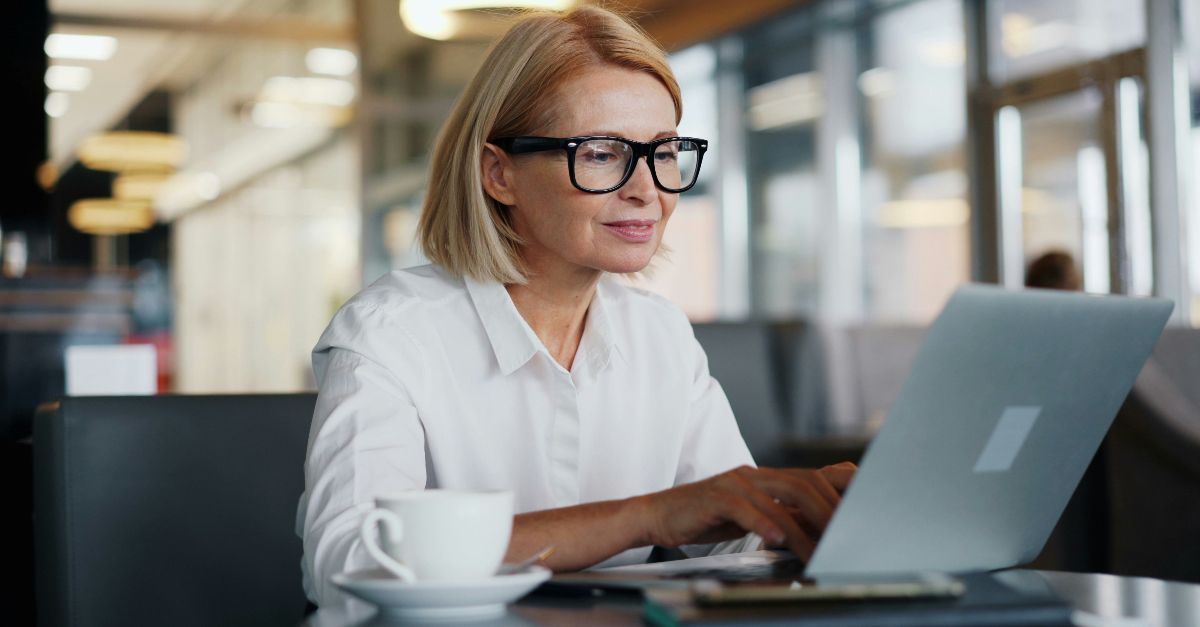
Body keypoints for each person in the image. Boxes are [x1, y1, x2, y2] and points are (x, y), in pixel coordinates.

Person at [298, 6, 856, 608]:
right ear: (499, 173)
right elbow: (345, 565)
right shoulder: (390, 333)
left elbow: (734, 545)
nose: (647, 189)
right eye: (600, 154)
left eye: (664, 153)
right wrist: (647, 516)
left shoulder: (657, 331)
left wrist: (806, 516)